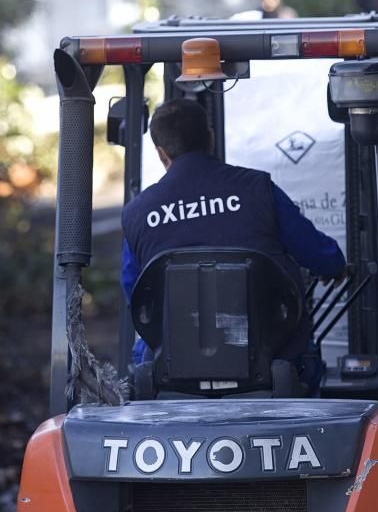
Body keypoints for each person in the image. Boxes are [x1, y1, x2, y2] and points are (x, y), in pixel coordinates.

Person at [121, 98, 346, 386]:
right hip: (272, 366)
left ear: (161, 154)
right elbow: (318, 254)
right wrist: (335, 266)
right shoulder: (258, 190)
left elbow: (137, 294)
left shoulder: (138, 214)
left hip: (171, 373)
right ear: (211, 138)